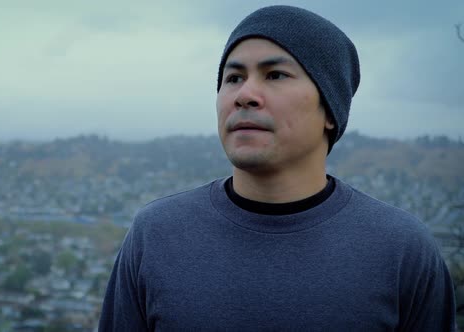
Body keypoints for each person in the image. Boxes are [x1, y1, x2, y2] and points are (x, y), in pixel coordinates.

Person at [98, 5, 456, 331]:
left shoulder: (401, 250)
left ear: (331, 110)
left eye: (275, 75)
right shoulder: (156, 235)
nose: (245, 94)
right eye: (233, 77)